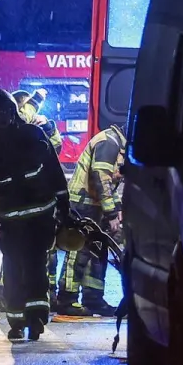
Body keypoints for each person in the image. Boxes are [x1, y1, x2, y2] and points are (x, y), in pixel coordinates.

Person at [0, 88, 70, 341]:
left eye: (5, 111)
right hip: (13, 220)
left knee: (35, 264)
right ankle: (17, 321)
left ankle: (36, 317)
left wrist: (64, 205)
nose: (2, 117)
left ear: (12, 111)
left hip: (38, 216)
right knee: (14, 266)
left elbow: (54, 171)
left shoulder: (34, 134)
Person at [0, 89, 63, 311]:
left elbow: (56, 149)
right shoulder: (11, 128)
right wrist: (36, 99)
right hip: (19, 199)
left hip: (40, 199)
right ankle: (9, 297)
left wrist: (49, 128)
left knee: (42, 253)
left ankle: (43, 296)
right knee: (14, 255)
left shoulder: (37, 131)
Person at [56, 123, 126, 317]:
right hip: (83, 204)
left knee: (97, 253)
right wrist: (111, 213)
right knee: (78, 252)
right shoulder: (108, 143)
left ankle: (93, 299)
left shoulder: (115, 142)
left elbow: (109, 183)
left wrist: (116, 208)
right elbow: (100, 178)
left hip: (94, 204)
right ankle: (66, 299)